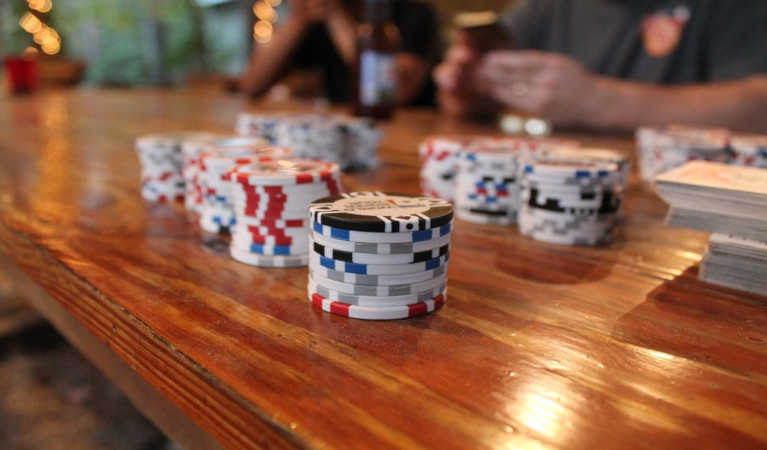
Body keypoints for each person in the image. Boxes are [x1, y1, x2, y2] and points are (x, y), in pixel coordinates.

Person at [435, 0, 767, 132]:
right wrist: (468, 88)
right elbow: (463, 92)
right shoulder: (547, 7)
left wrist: (594, 100)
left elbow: (759, 105)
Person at [240, 0, 439, 106]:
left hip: (411, 138)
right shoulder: (316, 24)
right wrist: (298, 19)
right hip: (348, 137)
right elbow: (251, 85)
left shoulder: (412, 13)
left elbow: (396, 92)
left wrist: (335, 14)